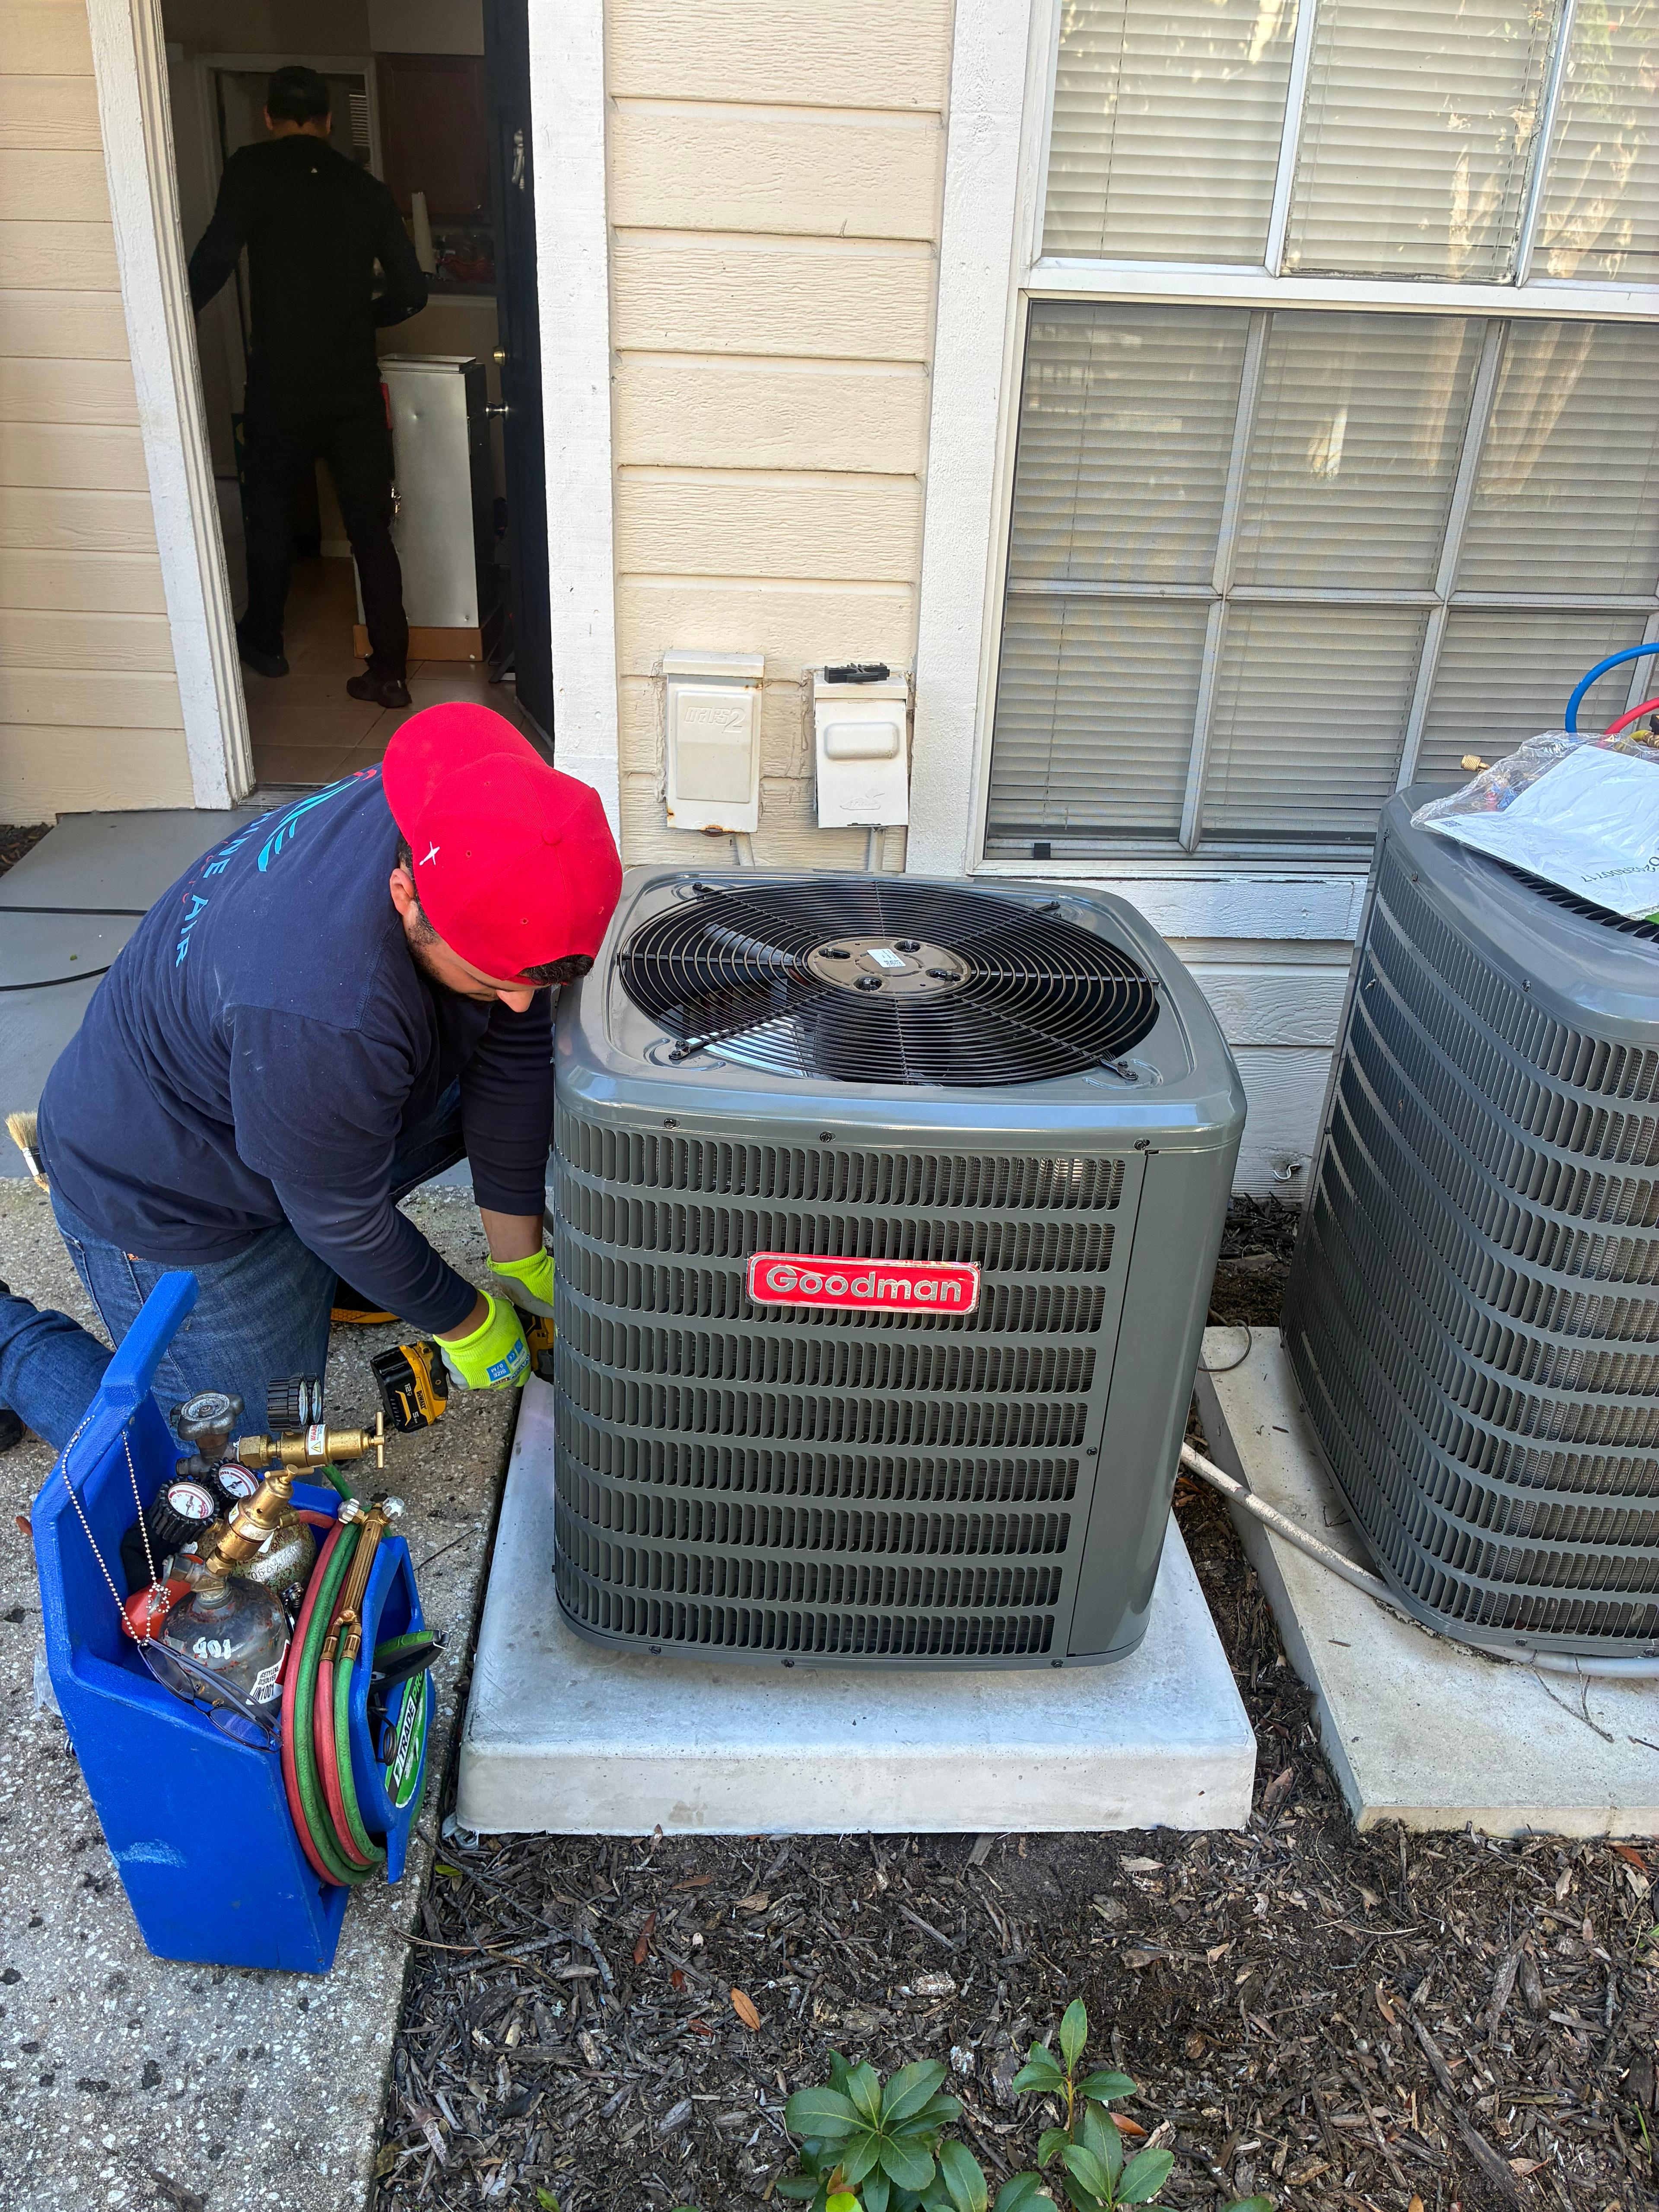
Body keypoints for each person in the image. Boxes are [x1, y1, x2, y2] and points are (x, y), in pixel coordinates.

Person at [0, 705, 622, 1452]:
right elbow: (340, 1213)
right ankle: (10, 1343)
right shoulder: (326, 1007)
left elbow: (513, 1045)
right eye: (492, 981)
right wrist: (463, 1318)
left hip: (282, 1097)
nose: (520, 1003)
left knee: (502, 1070)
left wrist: (517, 1253)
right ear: (405, 894)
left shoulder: (480, 803)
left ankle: (327, 1267)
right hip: (168, 1187)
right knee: (213, 1478)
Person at [189, 64, 427, 709]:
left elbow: (215, 257)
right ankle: (390, 674)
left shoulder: (251, 171)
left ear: (269, 117)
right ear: (328, 122)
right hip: (351, 388)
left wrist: (173, 317)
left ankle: (264, 642)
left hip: (280, 387)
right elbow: (412, 292)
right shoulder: (364, 189)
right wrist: (362, 321)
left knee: (266, 516)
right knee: (371, 534)